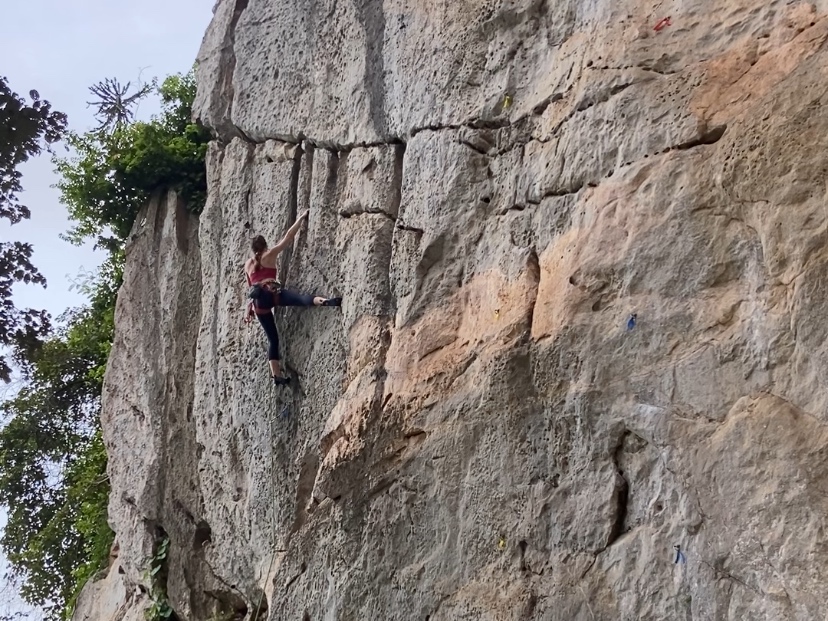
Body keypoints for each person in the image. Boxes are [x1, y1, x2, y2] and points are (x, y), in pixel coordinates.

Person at [244, 209, 341, 385]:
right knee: (301, 299)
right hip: (272, 294)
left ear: (253, 249)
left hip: (258, 304)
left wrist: (248, 310)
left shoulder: (248, 264)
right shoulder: (270, 254)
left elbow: (251, 286)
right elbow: (289, 237)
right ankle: (325, 301)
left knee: (273, 339)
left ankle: (276, 376)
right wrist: (301, 218)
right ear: (264, 245)